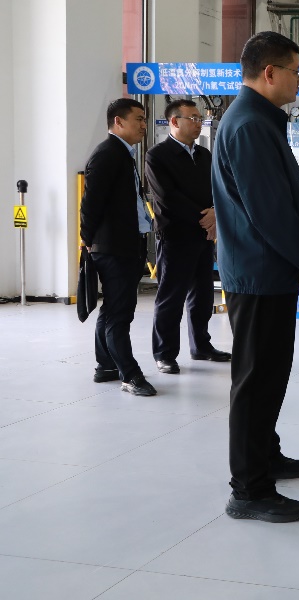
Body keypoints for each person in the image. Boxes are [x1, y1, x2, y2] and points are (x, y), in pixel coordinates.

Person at [212, 31, 299, 524]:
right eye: (295, 72)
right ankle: (249, 489)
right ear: (270, 73)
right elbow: (271, 212)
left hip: (265, 270)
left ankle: (266, 456)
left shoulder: (257, 120)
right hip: (258, 273)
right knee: (256, 380)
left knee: (270, 374)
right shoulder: (249, 125)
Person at [145, 99, 230, 375]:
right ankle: (164, 354)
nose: (198, 123)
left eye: (199, 119)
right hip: (175, 236)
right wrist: (204, 218)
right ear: (174, 121)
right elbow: (167, 197)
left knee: (202, 296)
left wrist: (215, 213)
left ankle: (201, 346)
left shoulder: (204, 155)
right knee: (171, 297)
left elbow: (218, 187)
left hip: (204, 236)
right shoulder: (157, 156)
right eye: (192, 118)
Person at [81, 97, 154, 396]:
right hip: (113, 247)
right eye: (138, 119)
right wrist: (88, 240)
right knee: (120, 314)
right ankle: (130, 375)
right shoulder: (107, 154)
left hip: (125, 244)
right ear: (118, 122)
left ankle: (106, 366)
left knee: (112, 308)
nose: (144, 125)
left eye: (144, 119)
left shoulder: (123, 153)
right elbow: (90, 204)